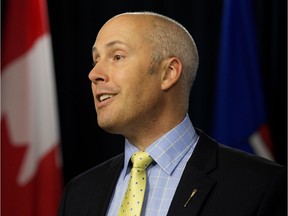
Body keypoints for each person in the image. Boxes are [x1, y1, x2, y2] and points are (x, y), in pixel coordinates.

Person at [57, 11, 287, 216]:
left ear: (168, 73)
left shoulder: (260, 186)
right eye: (95, 60)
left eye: (117, 56)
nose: (94, 73)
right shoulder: (77, 194)